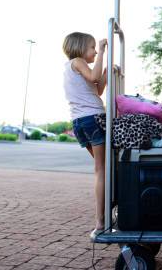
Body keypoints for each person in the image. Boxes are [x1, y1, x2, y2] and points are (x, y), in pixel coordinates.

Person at [62, 32, 108, 239]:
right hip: (93, 120)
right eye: (92, 48)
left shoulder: (74, 69)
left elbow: (96, 90)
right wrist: (103, 52)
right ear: (80, 48)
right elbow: (94, 77)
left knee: (104, 168)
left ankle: (104, 214)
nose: (95, 51)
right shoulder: (78, 62)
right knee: (102, 169)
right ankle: (100, 219)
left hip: (81, 123)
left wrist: (107, 73)